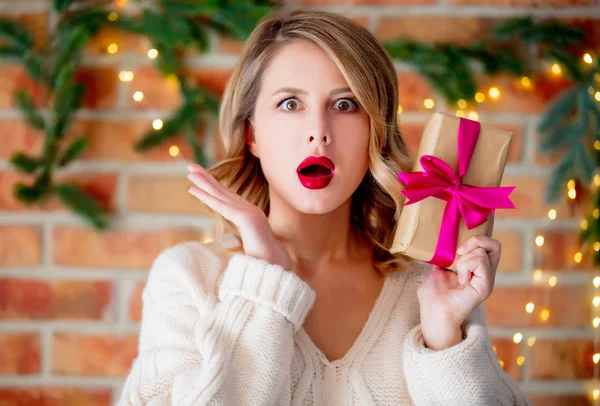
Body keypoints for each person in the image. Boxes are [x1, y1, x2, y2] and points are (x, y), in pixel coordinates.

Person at [117, 7, 531, 406]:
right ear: (252, 136)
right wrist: (263, 278)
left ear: (376, 131)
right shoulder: (189, 278)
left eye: (345, 104)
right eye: (290, 104)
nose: (319, 133)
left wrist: (444, 338)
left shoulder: (431, 286)